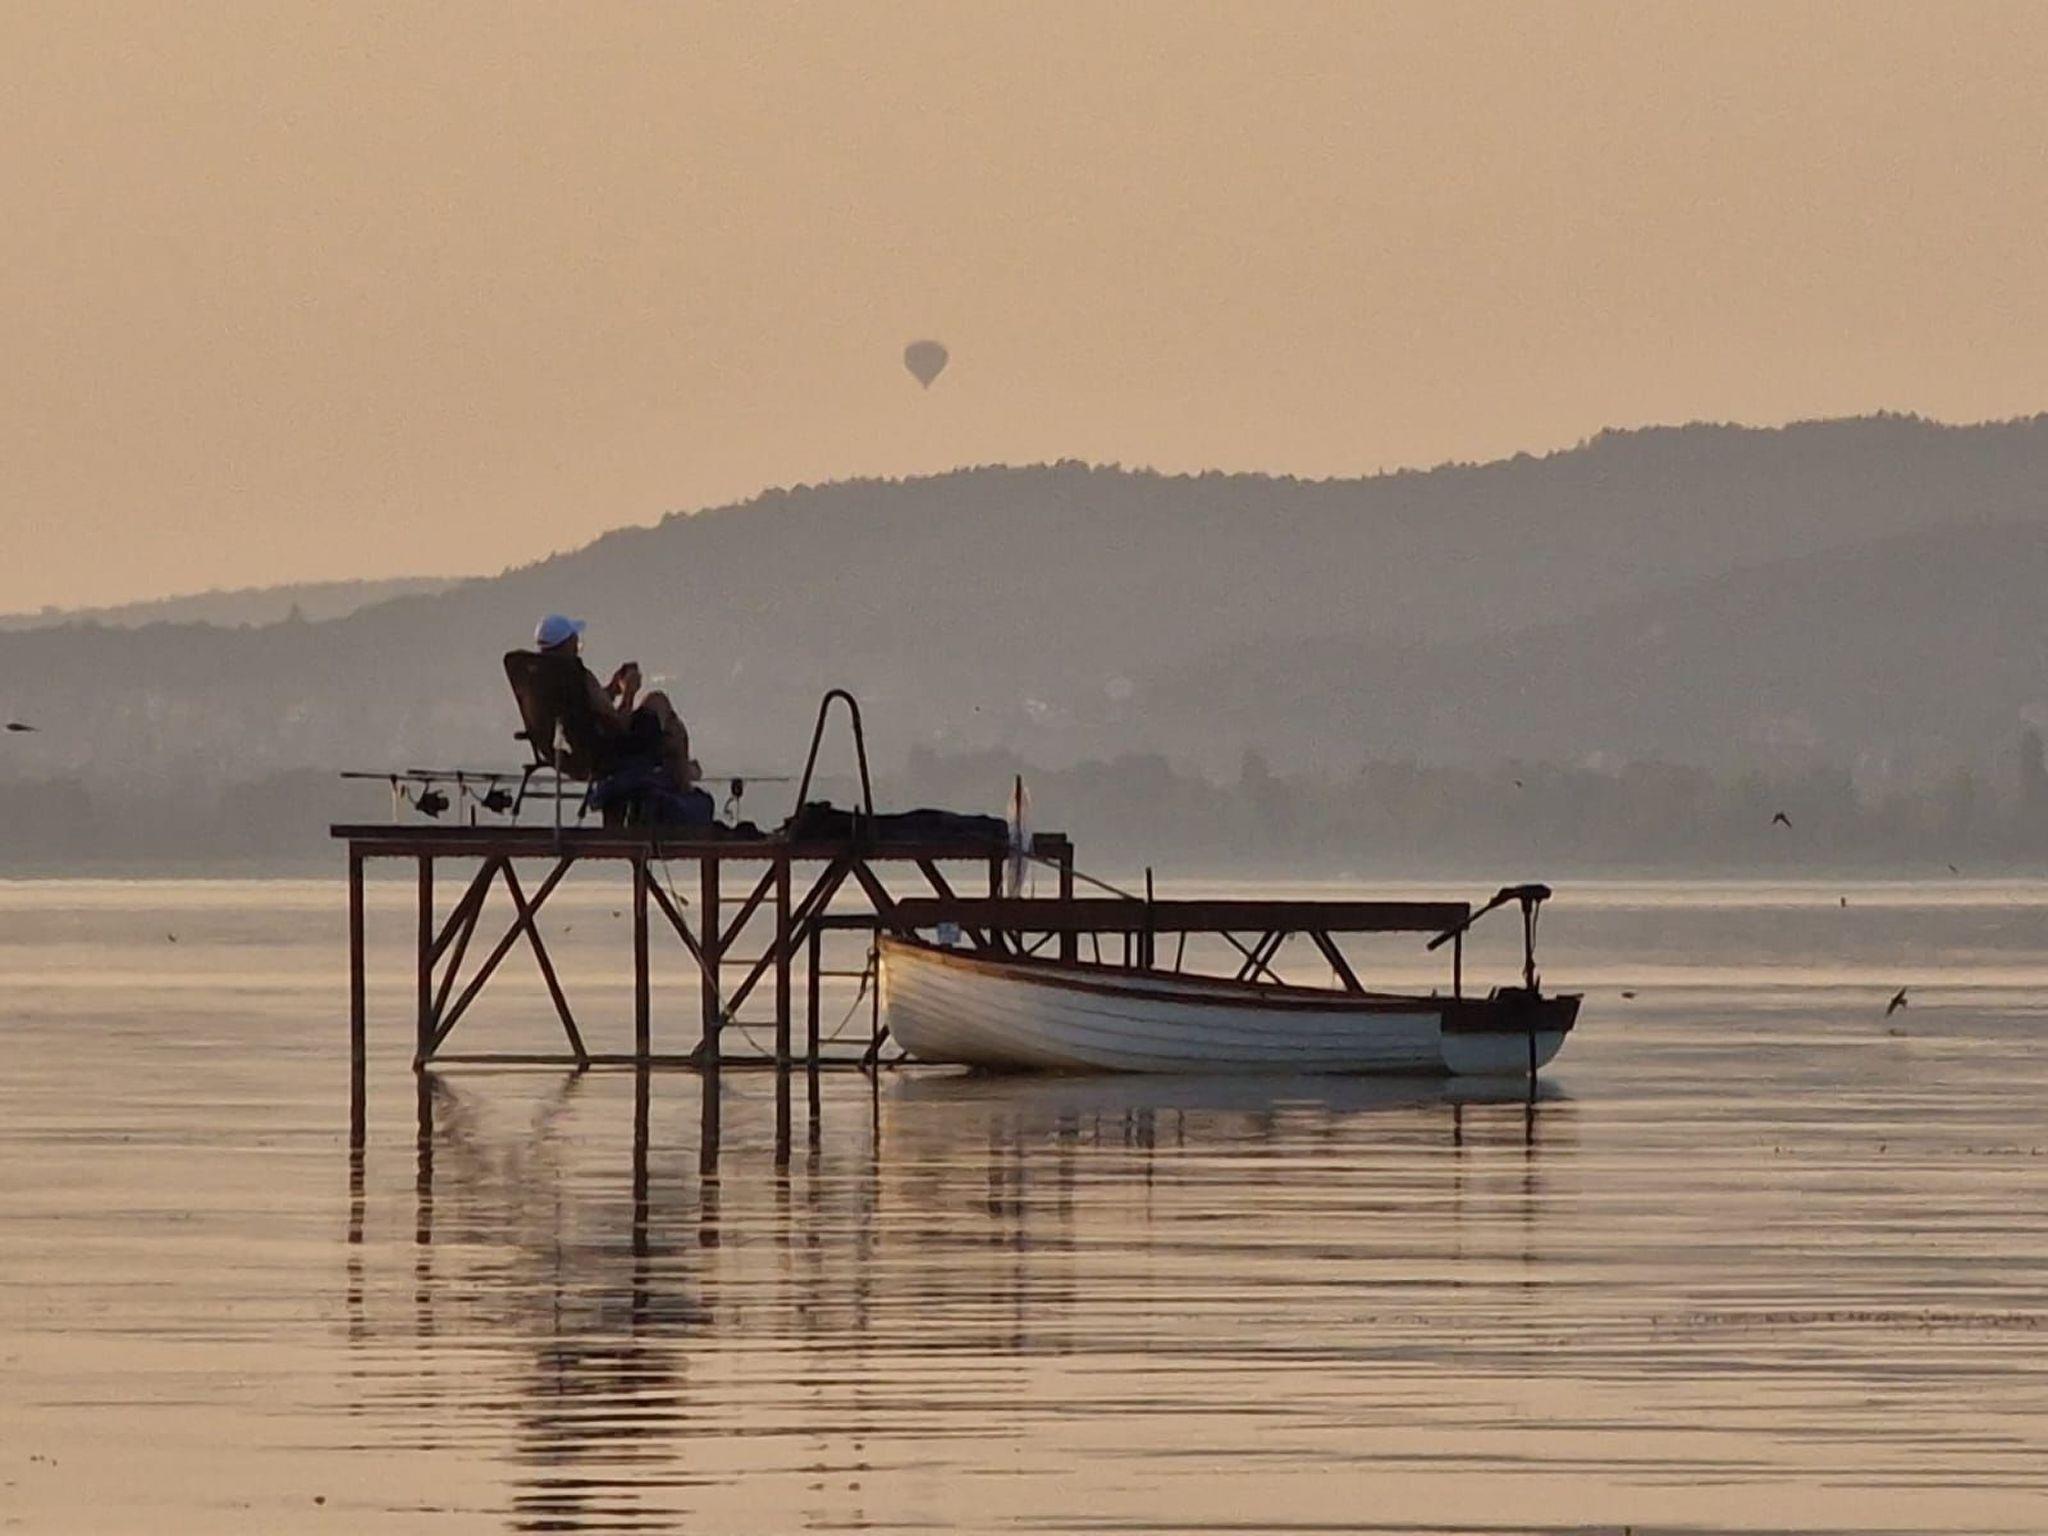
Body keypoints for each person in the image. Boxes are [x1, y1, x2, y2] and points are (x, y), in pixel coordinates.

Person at [532, 613, 698, 793]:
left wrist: (612, 689)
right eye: (576, 641)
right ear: (568, 643)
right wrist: (629, 691)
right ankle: (684, 780)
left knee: (669, 729)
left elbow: (589, 709)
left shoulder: (543, 679)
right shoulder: (578, 676)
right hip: (609, 753)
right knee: (661, 707)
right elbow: (619, 726)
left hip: (577, 752)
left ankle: (682, 772)